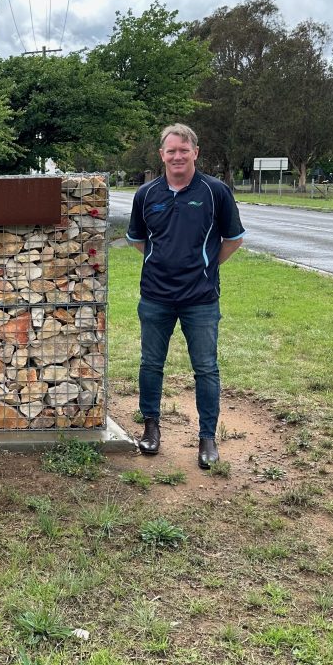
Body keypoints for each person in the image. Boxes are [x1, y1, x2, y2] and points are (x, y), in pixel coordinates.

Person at [126, 124, 244, 469]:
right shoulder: (146, 194)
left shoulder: (215, 191)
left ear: (196, 152)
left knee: (206, 368)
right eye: (171, 150)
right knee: (151, 364)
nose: (177, 156)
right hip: (156, 296)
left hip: (201, 298)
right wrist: (161, 262)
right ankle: (151, 427)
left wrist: (205, 265)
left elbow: (233, 239)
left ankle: (207, 437)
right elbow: (137, 239)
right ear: (161, 155)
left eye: (184, 150)